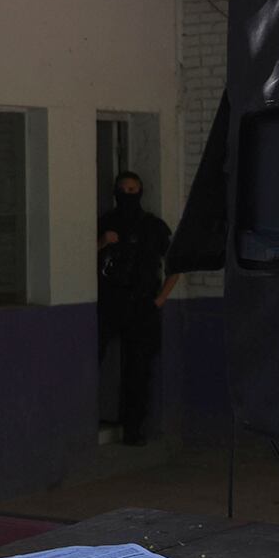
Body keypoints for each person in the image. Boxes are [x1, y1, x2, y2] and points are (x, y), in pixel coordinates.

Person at [97, 170, 178, 446]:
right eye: (124, 190)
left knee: (139, 369)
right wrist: (102, 242)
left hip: (143, 304)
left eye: (134, 190)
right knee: (95, 357)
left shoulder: (153, 227)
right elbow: (80, 256)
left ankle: (133, 428)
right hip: (110, 302)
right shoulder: (107, 223)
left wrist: (160, 299)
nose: (129, 195)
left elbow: (175, 264)